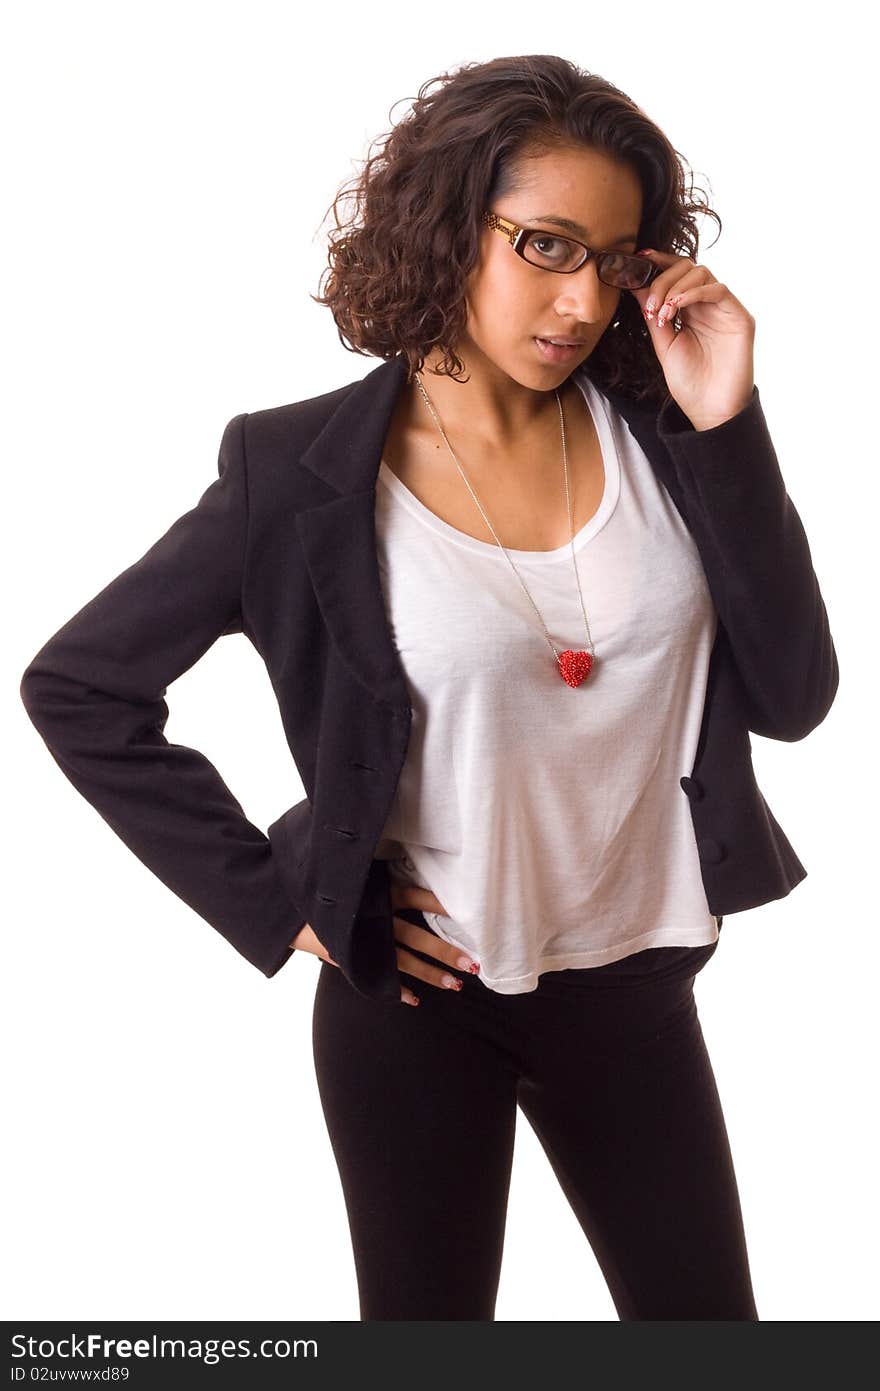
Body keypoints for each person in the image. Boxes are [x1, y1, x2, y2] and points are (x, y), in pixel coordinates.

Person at [20, 55, 839, 1321]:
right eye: (544, 245)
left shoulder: (664, 432)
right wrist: (278, 897)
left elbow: (792, 694)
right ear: (452, 227)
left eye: (610, 261)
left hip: (630, 983)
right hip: (417, 994)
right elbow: (79, 686)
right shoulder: (295, 472)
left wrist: (726, 423)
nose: (577, 300)